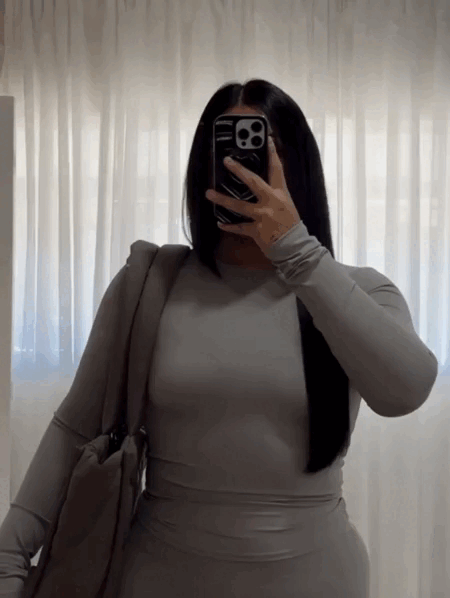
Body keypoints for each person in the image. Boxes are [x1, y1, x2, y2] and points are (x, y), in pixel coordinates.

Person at [0, 79, 438, 598]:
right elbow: (74, 428)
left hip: (319, 580)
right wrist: (8, 556)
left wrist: (298, 253)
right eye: (224, 148)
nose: (241, 165)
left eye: (264, 148)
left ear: (298, 166)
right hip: (160, 579)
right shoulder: (150, 285)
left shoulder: (357, 290)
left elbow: (406, 390)